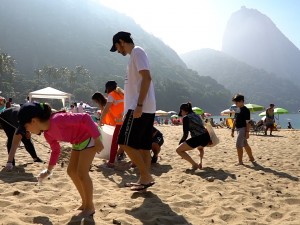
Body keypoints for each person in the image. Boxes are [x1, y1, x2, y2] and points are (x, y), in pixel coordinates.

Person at [9, 102, 104, 218]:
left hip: (90, 136)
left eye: (26, 128)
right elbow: (55, 150)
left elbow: (85, 117)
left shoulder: (58, 119)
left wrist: (97, 139)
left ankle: (90, 207)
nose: (27, 132)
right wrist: (48, 171)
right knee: (71, 171)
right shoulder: (47, 134)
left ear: (33, 121)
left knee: (82, 173)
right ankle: (85, 203)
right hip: (78, 141)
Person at [110, 31, 156, 191]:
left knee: (123, 142)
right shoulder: (134, 55)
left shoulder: (137, 52)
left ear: (121, 42)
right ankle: (144, 179)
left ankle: (145, 176)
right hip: (144, 107)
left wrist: (139, 105)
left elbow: (147, 78)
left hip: (139, 107)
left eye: (116, 47)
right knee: (143, 146)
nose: (117, 51)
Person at [97, 81, 124, 168]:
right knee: (127, 142)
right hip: (127, 120)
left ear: (108, 88)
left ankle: (111, 162)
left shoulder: (112, 95)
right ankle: (135, 162)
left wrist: (101, 120)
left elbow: (106, 109)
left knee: (115, 142)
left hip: (121, 121)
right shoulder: (122, 93)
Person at [176, 102, 211, 170]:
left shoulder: (186, 118)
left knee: (178, 150)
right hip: (206, 137)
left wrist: (180, 142)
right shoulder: (197, 115)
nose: (181, 114)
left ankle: (194, 165)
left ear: (183, 110)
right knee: (200, 148)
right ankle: (200, 162)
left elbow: (185, 134)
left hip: (198, 138)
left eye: (181, 111)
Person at [231, 94, 255, 165]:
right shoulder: (237, 109)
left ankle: (240, 161)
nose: (235, 104)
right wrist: (232, 130)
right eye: (235, 102)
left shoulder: (246, 110)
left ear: (241, 101)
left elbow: (248, 122)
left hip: (243, 129)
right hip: (238, 129)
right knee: (245, 144)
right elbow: (235, 120)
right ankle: (251, 158)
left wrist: (247, 132)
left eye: (236, 102)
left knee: (238, 145)